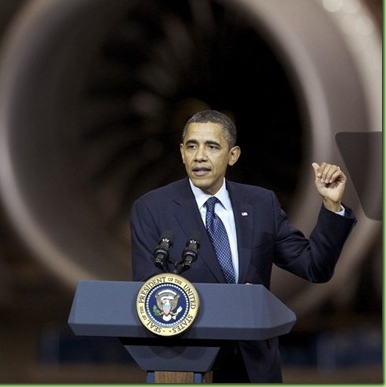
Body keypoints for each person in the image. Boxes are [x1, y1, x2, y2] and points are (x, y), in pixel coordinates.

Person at [130, 109, 356, 383]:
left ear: (233, 155)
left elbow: (314, 267)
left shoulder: (261, 204)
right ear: (182, 152)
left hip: (254, 365)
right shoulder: (152, 208)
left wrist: (332, 206)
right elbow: (148, 289)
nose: (199, 156)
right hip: (188, 361)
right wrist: (230, 303)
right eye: (192, 146)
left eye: (212, 147)